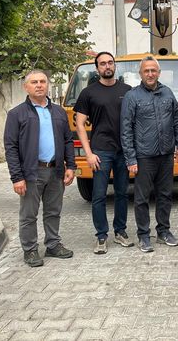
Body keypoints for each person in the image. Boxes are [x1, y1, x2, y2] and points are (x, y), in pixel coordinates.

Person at [4, 70, 75, 267]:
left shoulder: (58, 112)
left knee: (53, 211)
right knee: (28, 214)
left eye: (42, 81)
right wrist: (16, 177)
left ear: (48, 85)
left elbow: (68, 140)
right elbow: (10, 148)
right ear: (26, 87)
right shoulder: (16, 114)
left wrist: (72, 166)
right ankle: (30, 250)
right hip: (30, 172)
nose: (39, 85)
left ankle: (53, 244)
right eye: (34, 82)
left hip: (55, 171)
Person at [120, 55, 178, 253]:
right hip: (143, 156)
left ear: (158, 73)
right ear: (141, 73)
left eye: (153, 70)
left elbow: (177, 120)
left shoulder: (167, 93)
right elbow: (126, 129)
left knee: (165, 195)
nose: (150, 74)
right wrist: (130, 158)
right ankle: (143, 235)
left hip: (166, 154)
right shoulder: (132, 97)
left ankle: (164, 232)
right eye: (146, 71)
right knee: (141, 198)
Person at [74, 52, 134, 255]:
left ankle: (121, 232)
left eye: (110, 63)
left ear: (115, 65)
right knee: (99, 195)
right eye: (102, 64)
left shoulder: (128, 91)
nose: (107, 66)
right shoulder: (88, 93)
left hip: (123, 151)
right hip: (100, 151)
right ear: (97, 68)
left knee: (122, 194)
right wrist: (88, 153)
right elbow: (80, 125)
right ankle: (101, 236)